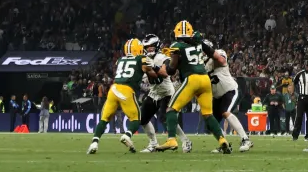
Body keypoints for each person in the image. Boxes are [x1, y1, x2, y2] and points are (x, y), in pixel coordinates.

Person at [155, 21, 231, 153]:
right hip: (205, 80)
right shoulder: (199, 43)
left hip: (192, 79)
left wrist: (169, 61)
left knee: (171, 110)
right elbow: (219, 59)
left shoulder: (176, 45)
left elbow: (171, 70)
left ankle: (171, 140)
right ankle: (222, 140)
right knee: (208, 115)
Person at [87, 39, 152, 154]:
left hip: (114, 89)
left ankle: (94, 142)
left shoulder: (120, 60)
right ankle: (127, 135)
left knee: (104, 119)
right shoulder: (141, 59)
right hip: (127, 90)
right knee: (136, 119)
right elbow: (149, 70)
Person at [291, 59, 308, 141]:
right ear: (305, 66)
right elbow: (293, 83)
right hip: (302, 98)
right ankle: (295, 135)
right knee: (299, 116)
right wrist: (292, 94)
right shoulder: (300, 74)